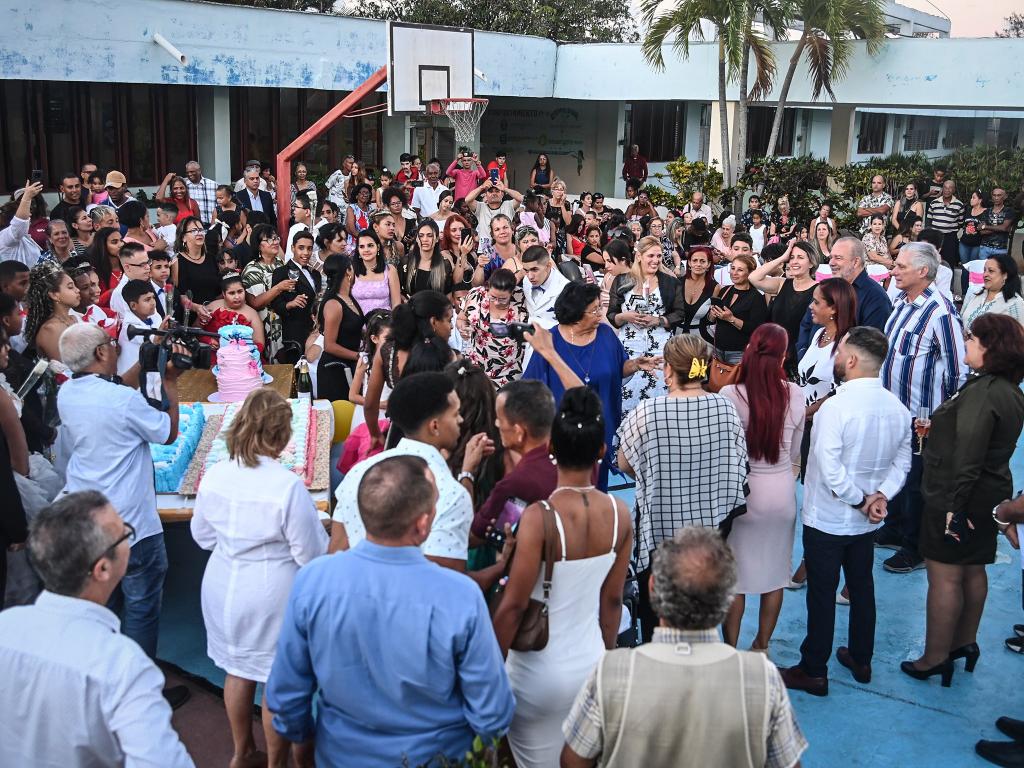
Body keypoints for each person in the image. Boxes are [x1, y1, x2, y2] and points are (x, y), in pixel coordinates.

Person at [267, 454, 515, 767]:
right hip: (437, 757)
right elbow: (492, 710)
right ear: (423, 524)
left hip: (341, 756)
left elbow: (287, 693)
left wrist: (303, 742)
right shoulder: (460, 596)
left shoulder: (313, 581)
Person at [562, 525, 807, 767]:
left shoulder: (611, 673)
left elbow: (573, 760)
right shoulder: (763, 680)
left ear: (653, 588)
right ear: (727, 596)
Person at [0, 492, 195, 767]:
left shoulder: (5, 627)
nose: (130, 535)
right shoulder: (122, 664)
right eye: (125, 533)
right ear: (102, 568)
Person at [493, 387, 632, 768]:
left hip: (537, 673)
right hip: (591, 664)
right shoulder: (620, 514)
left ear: (552, 447)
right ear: (601, 452)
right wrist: (607, 659)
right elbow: (612, 603)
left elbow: (515, 606)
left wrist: (487, 675)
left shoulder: (540, 516)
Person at [191, 389, 327, 768]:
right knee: (275, 681)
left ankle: (242, 751)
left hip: (222, 585)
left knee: (237, 670)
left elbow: (201, 537)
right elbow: (311, 554)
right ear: (281, 434)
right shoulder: (286, 486)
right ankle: (276, 764)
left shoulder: (215, 474)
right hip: (270, 594)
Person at [56, 323, 190, 708]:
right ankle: (140, 693)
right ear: (101, 354)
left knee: (104, 603)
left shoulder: (68, 393)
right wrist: (170, 383)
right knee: (142, 606)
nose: (115, 349)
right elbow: (166, 433)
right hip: (132, 522)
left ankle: (102, 682)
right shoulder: (120, 400)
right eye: (111, 346)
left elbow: (114, 389)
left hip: (89, 516)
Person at [781, 327, 912, 698]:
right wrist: (880, 497)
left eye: (838, 353)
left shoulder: (835, 407)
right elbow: (903, 462)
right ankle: (861, 658)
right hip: (866, 520)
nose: (834, 359)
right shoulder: (897, 408)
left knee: (821, 593)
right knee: (862, 586)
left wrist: (859, 500)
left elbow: (828, 465)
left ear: (851, 360)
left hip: (828, 518)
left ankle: (814, 669)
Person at [902, 314, 1024, 688]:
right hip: (989, 492)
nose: (966, 343)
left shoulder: (982, 391)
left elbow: (969, 452)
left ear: (988, 347)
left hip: (958, 493)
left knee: (943, 576)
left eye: (971, 338)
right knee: (973, 569)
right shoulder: (1008, 390)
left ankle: (935, 656)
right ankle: (964, 643)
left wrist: (954, 509)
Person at [616, 334, 747, 641]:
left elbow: (624, 464)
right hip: (709, 530)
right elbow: (737, 461)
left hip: (660, 529)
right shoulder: (724, 408)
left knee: (656, 613)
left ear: (668, 371)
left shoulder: (648, 412)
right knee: (700, 610)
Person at [331, 372, 482, 573]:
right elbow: (447, 580)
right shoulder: (451, 493)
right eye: (455, 414)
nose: (461, 420)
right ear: (434, 426)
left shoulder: (362, 470)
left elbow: (336, 550)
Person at [878, 242, 967, 574]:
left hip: (923, 417)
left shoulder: (941, 312)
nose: (894, 270)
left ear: (923, 272)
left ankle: (915, 546)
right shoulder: (901, 300)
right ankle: (896, 527)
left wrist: (943, 417)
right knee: (896, 473)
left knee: (918, 481)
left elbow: (958, 369)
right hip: (895, 410)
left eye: (901, 266)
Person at [523, 282, 659, 491]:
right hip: (562, 435)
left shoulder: (605, 335)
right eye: (594, 310)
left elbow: (616, 369)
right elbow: (530, 389)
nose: (600, 314)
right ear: (576, 312)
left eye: (600, 308)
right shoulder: (549, 341)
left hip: (599, 431)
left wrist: (634, 365)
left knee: (597, 489)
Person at [720, 324, 805, 652]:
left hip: (743, 495)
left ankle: (729, 647)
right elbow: (796, 450)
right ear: (783, 355)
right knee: (775, 576)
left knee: (735, 582)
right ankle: (761, 645)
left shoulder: (731, 394)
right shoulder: (795, 394)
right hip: (781, 492)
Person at [362, 292, 455, 451]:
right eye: (448, 319)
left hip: (400, 438)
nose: (451, 326)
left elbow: (370, 404)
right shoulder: (446, 355)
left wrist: (375, 434)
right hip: (440, 439)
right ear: (433, 322)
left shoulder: (386, 351)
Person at [469, 378, 556, 541]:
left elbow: (472, 537)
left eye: (500, 419)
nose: (496, 424)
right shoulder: (577, 456)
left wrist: (466, 474)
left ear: (519, 432)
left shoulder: (515, 482)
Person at [607, 235, 684, 416]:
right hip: (629, 348)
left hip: (659, 349)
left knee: (658, 399)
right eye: (651, 256)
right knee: (627, 398)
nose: (656, 260)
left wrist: (658, 320)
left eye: (659, 256)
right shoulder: (622, 280)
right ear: (639, 256)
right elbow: (612, 315)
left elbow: (680, 314)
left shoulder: (670, 282)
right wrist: (625, 316)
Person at [795, 237, 891, 358]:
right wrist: (803, 355)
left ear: (855, 262)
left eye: (838, 258)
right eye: (831, 257)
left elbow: (870, 347)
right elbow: (807, 324)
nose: (831, 262)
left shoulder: (876, 297)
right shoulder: (826, 287)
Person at [750, 241, 818, 373]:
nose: (794, 261)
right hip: (772, 353)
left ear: (811, 263)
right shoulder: (781, 283)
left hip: (799, 356)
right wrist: (782, 257)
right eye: (792, 257)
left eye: (800, 257)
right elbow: (754, 278)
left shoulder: (819, 290)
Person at [456, 268, 529, 387]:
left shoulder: (523, 299)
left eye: (503, 299)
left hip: (511, 367)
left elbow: (533, 330)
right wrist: (463, 328)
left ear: (512, 292)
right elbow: (461, 319)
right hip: (477, 363)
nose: (496, 302)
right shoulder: (475, 296)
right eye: (492, 297)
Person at [315, 253, 364, 401]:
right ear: (348, 271)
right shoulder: (333, 304)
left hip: (349, 366)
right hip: (334, 370)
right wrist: (358, 356)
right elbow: (329, 345)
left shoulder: (348, 298)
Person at [705, 253, 768, 364]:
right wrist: (712, 315)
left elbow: (756, 328)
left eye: (740, 270)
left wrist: (731, 319)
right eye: (733, 268)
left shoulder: (756, 297)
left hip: (740, 352)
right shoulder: (724, 291)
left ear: (750, 272)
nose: (734, 273)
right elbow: (710, 320)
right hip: (718, 349)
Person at [241, 224, 287, 361]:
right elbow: (256, 302)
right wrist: (279, 288)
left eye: (276, 238)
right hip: (266, 324)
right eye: (269, 239)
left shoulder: (280, 263)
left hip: (285, 319)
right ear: (258, 245)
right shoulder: (253, 269)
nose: (275, 242)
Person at [271, 231, 321, 357]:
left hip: (317, 331)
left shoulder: (315, 273)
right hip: (295, 333)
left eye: (309, 249)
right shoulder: (281, 272)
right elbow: (276, 304)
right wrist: (290, 304)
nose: (305, 253)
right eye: (301, 248)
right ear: (293, 248)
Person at [23, 260, 80, 362]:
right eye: (70, 287)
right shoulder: (50, 330)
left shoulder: (74, 318)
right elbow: (67, 369)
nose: (77, 290)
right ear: (54, 295)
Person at [961, 252, 1024, 329]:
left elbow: (1018, 337)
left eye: (991, 271)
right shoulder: (975, 294)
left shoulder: (1015, 304)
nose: (985, 274)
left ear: (1005, 275)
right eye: (984, 270)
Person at [202, 272, 265, 348]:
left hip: (243, 357)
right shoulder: (213, 306)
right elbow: (196, 330)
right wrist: (208, 340)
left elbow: (260, 343)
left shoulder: (252, 314)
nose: (237, 297)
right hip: (212, 353)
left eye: (240, 291)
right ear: (224, 294)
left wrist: (243, 352)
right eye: (232, 293)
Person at [173, 215, 221, 309]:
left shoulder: (211, 258)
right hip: (190, 315)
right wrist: (197, 308)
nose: (199, 233)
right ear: (183, 237)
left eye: (201, 230)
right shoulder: (177, 261)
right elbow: (179, 296)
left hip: (213, 311)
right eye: (194, 231)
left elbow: (217, 291)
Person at [351, 227, 401, 313]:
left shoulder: (390, 270)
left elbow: (396, 303)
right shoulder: (352, 270)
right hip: (357, 324)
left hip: (384, 323)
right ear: (358, 250)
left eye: (370, 245)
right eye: (362, 247)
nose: (366, 250)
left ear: (378, 247)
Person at [402, 219, 455, 298]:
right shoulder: (406, 262)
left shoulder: (445, 264)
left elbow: (448, 295)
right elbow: (399, 292)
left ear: (437, 239)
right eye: (421, 235)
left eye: (429, 235)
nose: (425, 239)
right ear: (416, 239)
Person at [466, 178, 523, 247]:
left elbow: (521, 198)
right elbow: (467, 200)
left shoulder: (508, 205)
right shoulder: (480, 207)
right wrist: (482, 187)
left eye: (497, 191)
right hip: (486, 249)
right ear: (485, 195)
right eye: (490, 191)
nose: (494, 193)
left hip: (506, 248)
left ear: (502, 194)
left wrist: (505, 189)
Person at [0, 181, 44, 267]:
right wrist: (26, 197)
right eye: (28, 212)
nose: (30, 215)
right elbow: (20, 223)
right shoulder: (5, 237)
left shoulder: (22, 236)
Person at [679, 245, 717, 336]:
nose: (698, 264)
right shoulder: (677, 283)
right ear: (689, 263)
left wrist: (713, 316)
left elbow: (711, 320)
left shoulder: (716, 288)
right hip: (676, 339)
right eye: (694, 260)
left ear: (708, 264)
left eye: (702, 261)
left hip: (702, 340)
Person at [926, 180, 965, 268]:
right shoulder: (934, 203)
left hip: (950, 238)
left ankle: (949, 281)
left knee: (949, 263)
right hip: (935, 237)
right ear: (942, 189)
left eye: (950, 188)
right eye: (945, 188)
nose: (947, 190)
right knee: (933, 262)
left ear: (954, 190)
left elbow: (960, 223)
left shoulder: (959, 205)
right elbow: (929, 220)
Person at [979, 187, 1017, 260]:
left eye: (999, 195)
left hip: (1000, 249)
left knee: (999, 271)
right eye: (994, 195)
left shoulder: (1008, 211)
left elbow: (1004, 228)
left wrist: (986, 226)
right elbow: (982, 231)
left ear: (1005, 196)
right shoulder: (986, 211)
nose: (996, 197)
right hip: (984, 248)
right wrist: (1001, 228)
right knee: (983, 270)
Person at [958, 190, 987, 268]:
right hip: (964, 243)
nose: (971, 199)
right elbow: (963, 224)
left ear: (980, 200)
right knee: (965, 267)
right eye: (971, 197)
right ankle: (964, 281)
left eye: (973, 198)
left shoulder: (986, 212)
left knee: (973, 268)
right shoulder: (968, 210)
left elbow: (985, 227)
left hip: (977, 244)